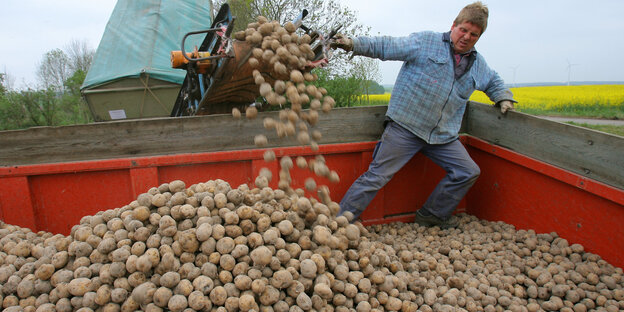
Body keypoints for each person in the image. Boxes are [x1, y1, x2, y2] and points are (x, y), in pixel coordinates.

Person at [330, 2, 515, 229]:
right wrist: (352, 44)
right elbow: (387, 46)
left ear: (479, 36)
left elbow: (493, 81)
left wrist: (502, 97)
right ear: (454, 25)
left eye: (474, 34)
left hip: (442, 136)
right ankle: (340, 221)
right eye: (463, 30)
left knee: (467, 172)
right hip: (406, 127)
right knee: (377, 176)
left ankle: (431, 216)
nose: (467, 37)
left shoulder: (478, 64)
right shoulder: (427, 42)